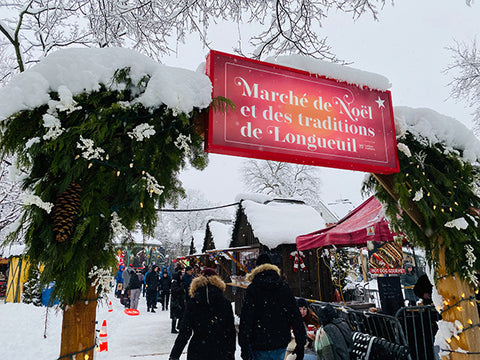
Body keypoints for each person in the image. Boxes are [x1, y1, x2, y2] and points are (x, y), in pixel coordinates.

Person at [239, 253, 306, 360]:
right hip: (279, 342)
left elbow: (246, 319)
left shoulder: (253, 289)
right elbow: (295, 315)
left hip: (258, 343)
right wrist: (300, 342)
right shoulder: (283, 287)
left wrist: (244, 345)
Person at [169, 268, 236, 360]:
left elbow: (184, 332)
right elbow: (230, 332)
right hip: (220, 350)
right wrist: (231, 353)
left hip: (197, 349)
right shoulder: (224, 303)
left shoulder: (193, 302)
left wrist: (174, 355)